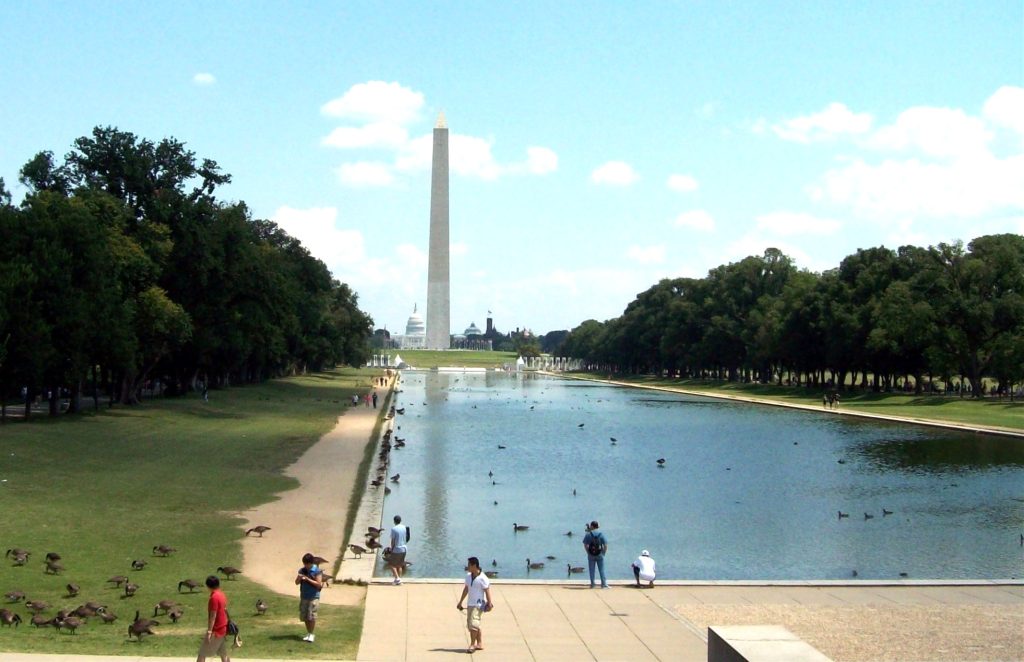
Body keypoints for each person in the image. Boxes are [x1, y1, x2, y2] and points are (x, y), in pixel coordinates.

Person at [456, 556, 493, 653]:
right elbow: (466, 589)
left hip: (479, 604)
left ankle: (472, 645)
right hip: (470, 603)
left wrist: (489, 603)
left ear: (474, 565)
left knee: (473, 624)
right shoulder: (468, 576)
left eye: (469, 565)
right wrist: (460, 602)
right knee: (471, 624)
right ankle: (479, 643)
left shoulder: (483, 578)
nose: (467, 566)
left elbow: (487, 591)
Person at [196, 575, 230, 662]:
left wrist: (209, 632)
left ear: (208, 586)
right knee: (223, 654)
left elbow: (213, 616)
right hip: (223, 628)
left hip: (216, 630)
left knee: (202, 654)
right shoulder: (222, 595)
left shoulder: (214, 598)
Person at [295, 552, 323, 642]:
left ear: (311, 563)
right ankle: (308, 633)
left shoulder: (317, 571)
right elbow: (296, 582)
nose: (306, 565)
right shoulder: (302, 570)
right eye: (304, 564)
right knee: (305, 616)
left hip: (313, 596)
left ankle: (311, 634)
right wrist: (299, 578)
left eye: (307, 564)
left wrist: (307, 579)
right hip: (304, 596)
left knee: (311, 616)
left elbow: (319, 585)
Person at [582, 520, 608, 588]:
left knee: (591, 570)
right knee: (601, 569)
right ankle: (604, 584)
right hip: (600, 554)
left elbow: (585, 545)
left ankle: (593, 584)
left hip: (591, 555)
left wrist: (588, 552)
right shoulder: (601, 534)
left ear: (592, 526)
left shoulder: (588, 534)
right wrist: (603, 553)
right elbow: (605, 545)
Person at [388, 515, 410, 585]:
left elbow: (393, 540)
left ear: (394, 521)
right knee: (399, 565)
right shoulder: (404, 527)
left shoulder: (393, 529)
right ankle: (399, 580)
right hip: (404, 549)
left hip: (397, 549)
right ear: (400, 520)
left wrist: (391, 549)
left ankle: (397, 579)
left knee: (392, 565)